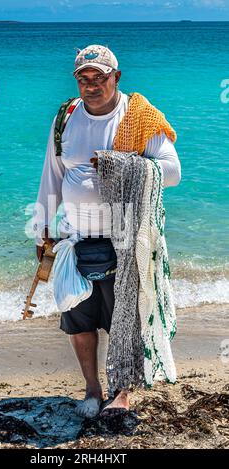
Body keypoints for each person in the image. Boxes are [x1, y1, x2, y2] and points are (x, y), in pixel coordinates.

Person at [32, 44, 181, 418]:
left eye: (99, 77)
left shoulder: (140, 117)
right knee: (78, 319)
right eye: (84, 78)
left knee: (123, 321)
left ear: (116, 77)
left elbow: (173, 171)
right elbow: (52, 174)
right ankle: (92, 390)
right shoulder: (66, 117)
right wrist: (43, 229)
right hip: (75, 239)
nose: (91, 85)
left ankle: (121, 393)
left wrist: (120, 164)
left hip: (127, 239)